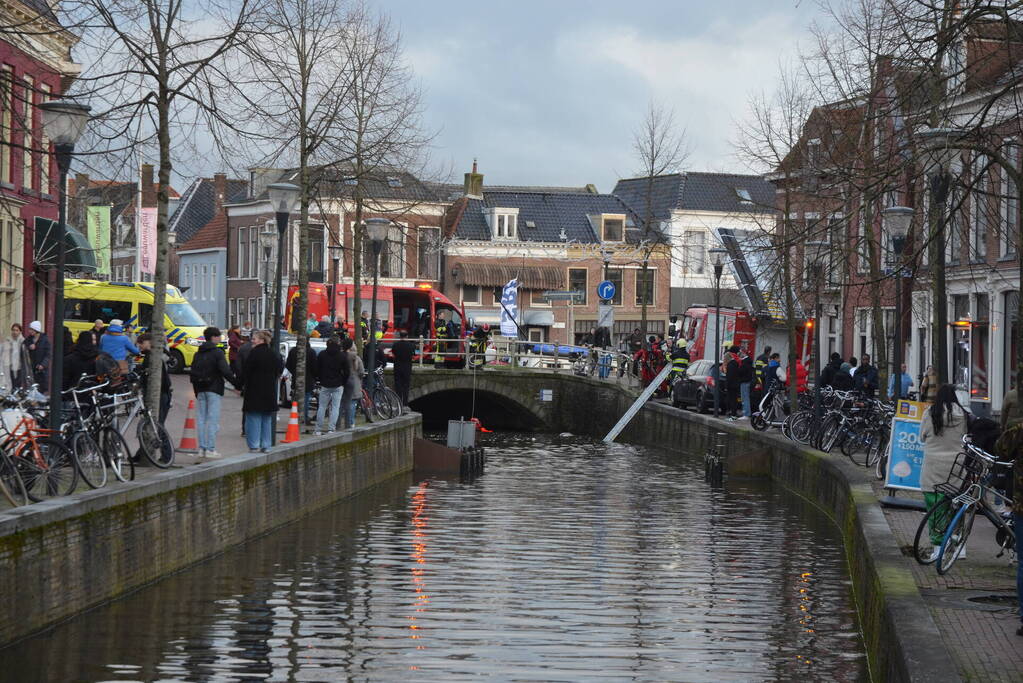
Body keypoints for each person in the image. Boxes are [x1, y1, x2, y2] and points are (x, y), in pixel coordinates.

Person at [919, 384, 970, 563]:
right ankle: (960, 547)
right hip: (956, 467)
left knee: (935, 510)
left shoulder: (930, 413)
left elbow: (922, 436)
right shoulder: (963, 415)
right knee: (956, 507)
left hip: (933, 467)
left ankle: (938, 548)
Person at [189, 326, 238, 458]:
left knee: (201, 419)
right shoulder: (217, 353)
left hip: (200, 389)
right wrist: (236, 384)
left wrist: (196, 391)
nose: (221, 339)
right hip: (214, 389)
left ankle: (201, 448)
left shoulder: (197, 353)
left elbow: (192, 373)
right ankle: (210, 449)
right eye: (219, 337)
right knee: (212, 419)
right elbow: (225, 371)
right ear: (214, 337)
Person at [240, 329, 283, 453]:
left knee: (253, 418)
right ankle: (266, 444)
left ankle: (254, 445)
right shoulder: (273, 354)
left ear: (261, 340)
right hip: (269, 391)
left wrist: (239, 385)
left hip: (254, 391)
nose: (252, 340)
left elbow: (246, 372)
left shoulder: (254, 354)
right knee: (266, 418)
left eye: (254, 338)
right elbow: (279, 369)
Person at [314, 336, 349, 434]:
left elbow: (317, 369)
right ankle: (331, 428)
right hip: (338, 384)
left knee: (322, 406)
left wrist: (320, 379)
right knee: (335, 407)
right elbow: (347, 372)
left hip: (325, 384)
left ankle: (318, 429)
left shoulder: (322, 354)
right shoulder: (342, 356)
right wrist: (343, 382)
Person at [137, 332, 172, 424]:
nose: (138, 345)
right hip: (161, 392)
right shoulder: (152, 355)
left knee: (157, 423)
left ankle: (161, 438)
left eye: (141, 342)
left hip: (160, 392)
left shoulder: (154, 356)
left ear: (149, 342)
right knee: (157, 423)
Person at [286, 340, 317, 424]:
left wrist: (294, 372)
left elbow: (288, 364)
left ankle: (295, 416)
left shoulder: (293, 351)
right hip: (308, 380)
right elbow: (315, 367)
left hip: (296, 379)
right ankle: (304, 417)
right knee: (306, 400)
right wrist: (313, 376)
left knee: (295, 400)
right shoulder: (311, 352)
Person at [341, 337, 364, 429]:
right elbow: (361, 371)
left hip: (343, 382)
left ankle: (341, 423)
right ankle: (351, 423)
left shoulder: (343, 356)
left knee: (343, 403)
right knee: (352, 403)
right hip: (355, 383)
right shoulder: (356, 358)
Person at [391, 330, 416, 407]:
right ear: (407, 336)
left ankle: (398, 401)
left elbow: (394, 354)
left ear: (400, 336)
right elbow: (413, 355)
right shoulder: (411, 345)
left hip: (398, 367)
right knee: (406, 385)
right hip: (407, 367)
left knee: (398, 385)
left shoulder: (395, 345)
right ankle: (405, 403)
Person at [0, 323, 26, 392]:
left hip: (19, 368)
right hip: (8, 367)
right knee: (9, 386)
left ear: (20, 331)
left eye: (16, 330)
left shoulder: (23, 341)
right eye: (13, 330)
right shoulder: (8, 340)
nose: (14, 332)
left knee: (17, 387)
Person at [25, 321, 50, 389]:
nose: (29, 331)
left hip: (41, 370)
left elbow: (48, 354)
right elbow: (23, 346)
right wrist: (29, 347)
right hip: (31, 368)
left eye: (31, 329)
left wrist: (43, 364)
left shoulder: (45, 340)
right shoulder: (29, 339)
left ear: (36, 330)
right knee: (31, 388)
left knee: (40, 388)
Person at [724, 345, 741, 419]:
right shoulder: (739, 362)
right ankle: (733, 412)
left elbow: (729, 376)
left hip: (731, 384)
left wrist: (727, 385)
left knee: (731, 399)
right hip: (737, 384)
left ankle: (731, 413)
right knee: (735, 399)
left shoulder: (731, 363)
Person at [739, 351, 755, 418]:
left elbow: (742, 371)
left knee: (745, 398)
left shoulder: (745, 362)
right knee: (745, 398)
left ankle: (746, 414)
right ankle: (745, 413)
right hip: (746, 381)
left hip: (745, 382)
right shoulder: (748, 361)